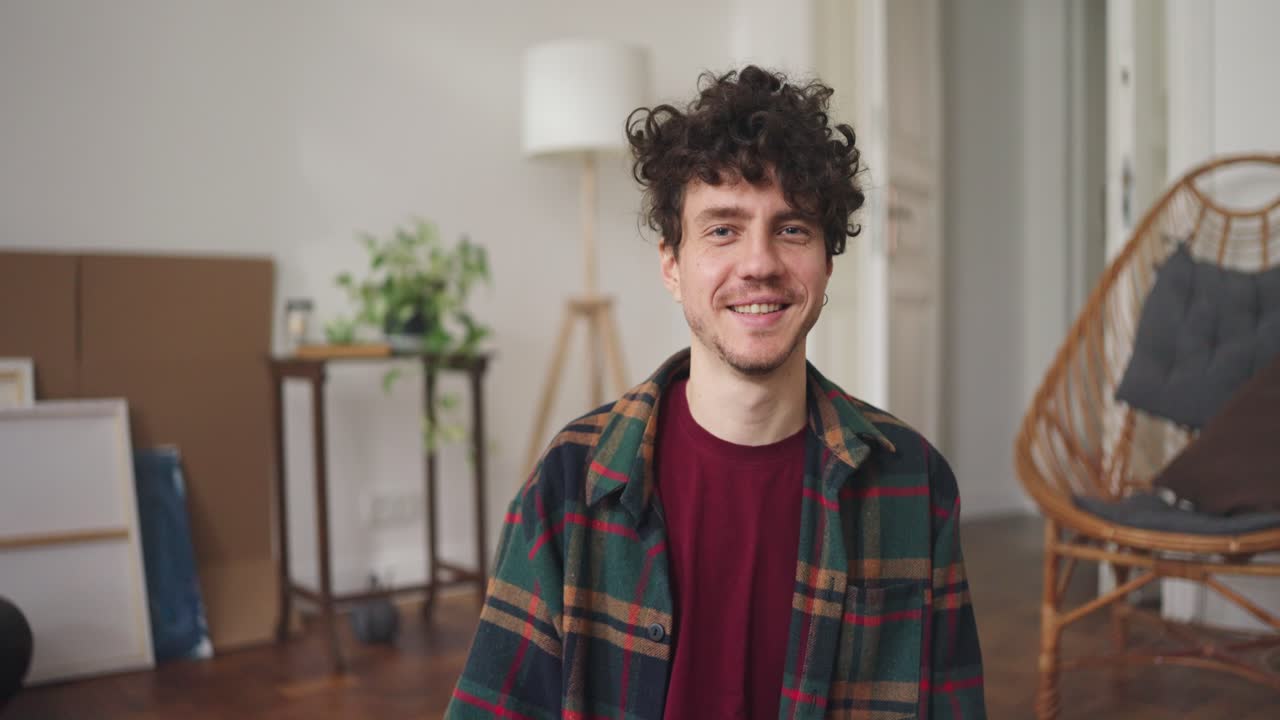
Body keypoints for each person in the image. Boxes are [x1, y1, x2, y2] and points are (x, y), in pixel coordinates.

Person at [447, 65, 986, 720]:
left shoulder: (913, 483)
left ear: (827, 263)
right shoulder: (570, 484)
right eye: (723, 230)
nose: (759, 263)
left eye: (792, 229)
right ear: (672, 266)